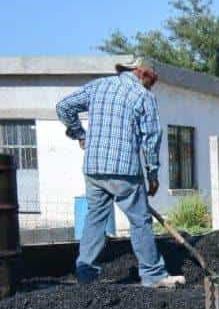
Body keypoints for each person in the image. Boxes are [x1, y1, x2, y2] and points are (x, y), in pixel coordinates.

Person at [55, 57, 182, 288]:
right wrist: (152, 175)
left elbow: (63, 107)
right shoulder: (143, 96)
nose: (154, 81)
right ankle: (153, 275)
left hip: (94, 168)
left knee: (95, 219)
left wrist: (79, 134)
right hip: (124, 170)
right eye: (153, 76)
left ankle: (86, 273)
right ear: (140, 71)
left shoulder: (98, 86)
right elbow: (151, 138)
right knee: (140, 221)